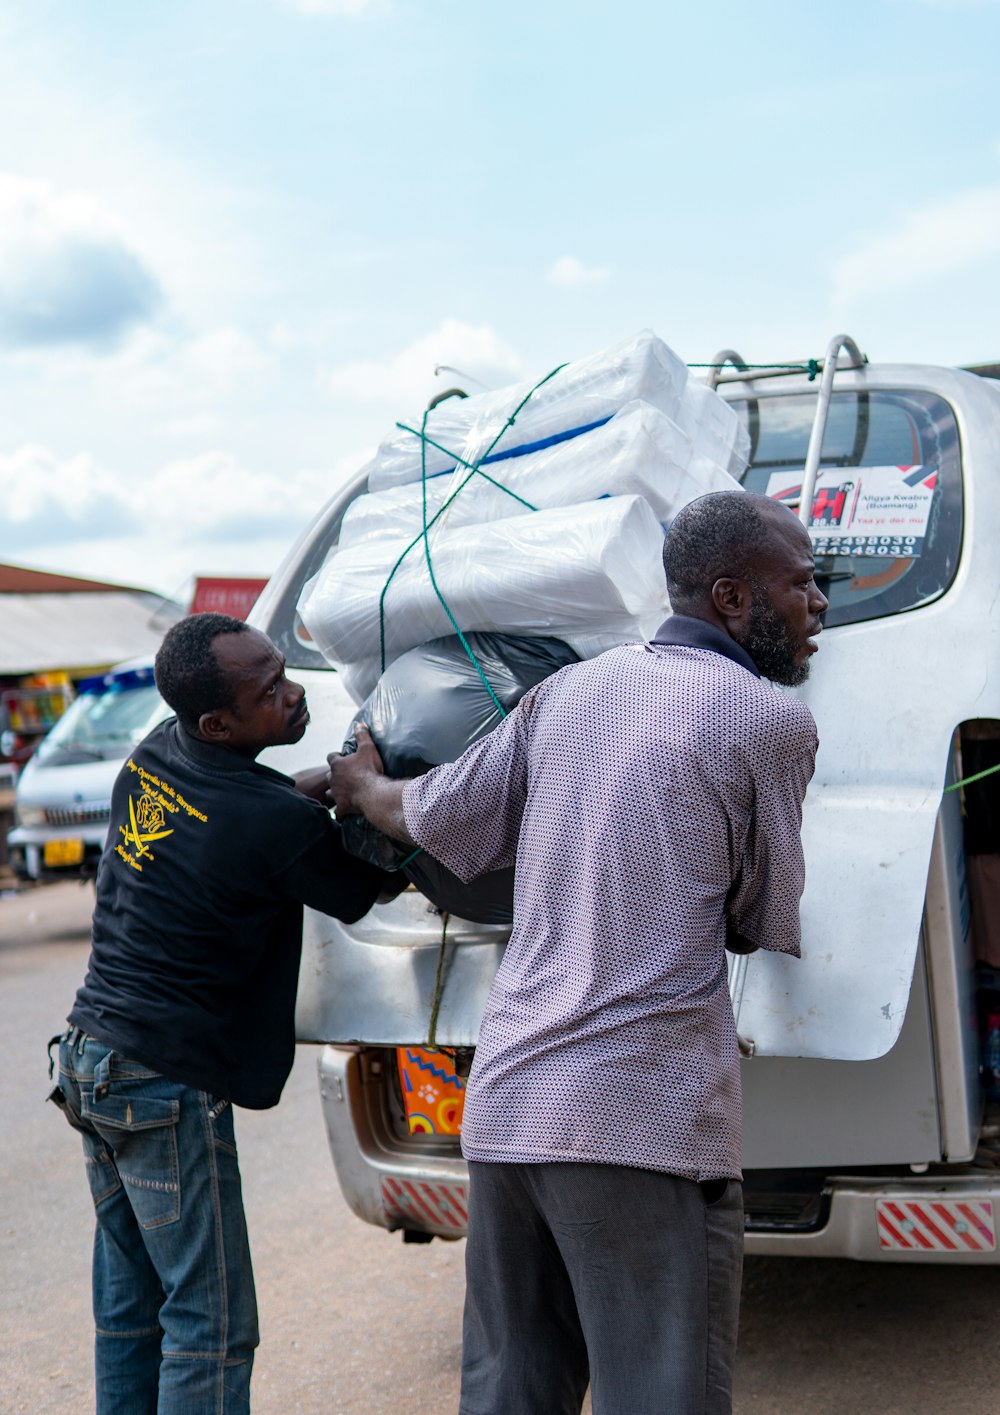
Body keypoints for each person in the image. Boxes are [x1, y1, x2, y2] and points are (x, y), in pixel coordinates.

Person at [328, 490, 828, 1415]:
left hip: (511, 1103)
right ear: (731, 595)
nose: (820, 605)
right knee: (660, 1394)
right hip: (638, 1117)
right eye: (803, 584)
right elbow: (761, 918)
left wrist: (359, 785)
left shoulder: (569, 691)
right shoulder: (768, 720)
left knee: (515, 1390)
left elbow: (429, 815)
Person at [49, 613, 388, 1415]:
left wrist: (325, 785)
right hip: (163, 1082)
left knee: (133, 1315)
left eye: (282, 670)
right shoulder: (270, 825)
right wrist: (374, 789)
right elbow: (361, 883)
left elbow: (251, 806)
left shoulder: (154, 758)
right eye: (269, 690)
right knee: (212, 1324)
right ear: (219, 723)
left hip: (93, 1060)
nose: (294, 691)